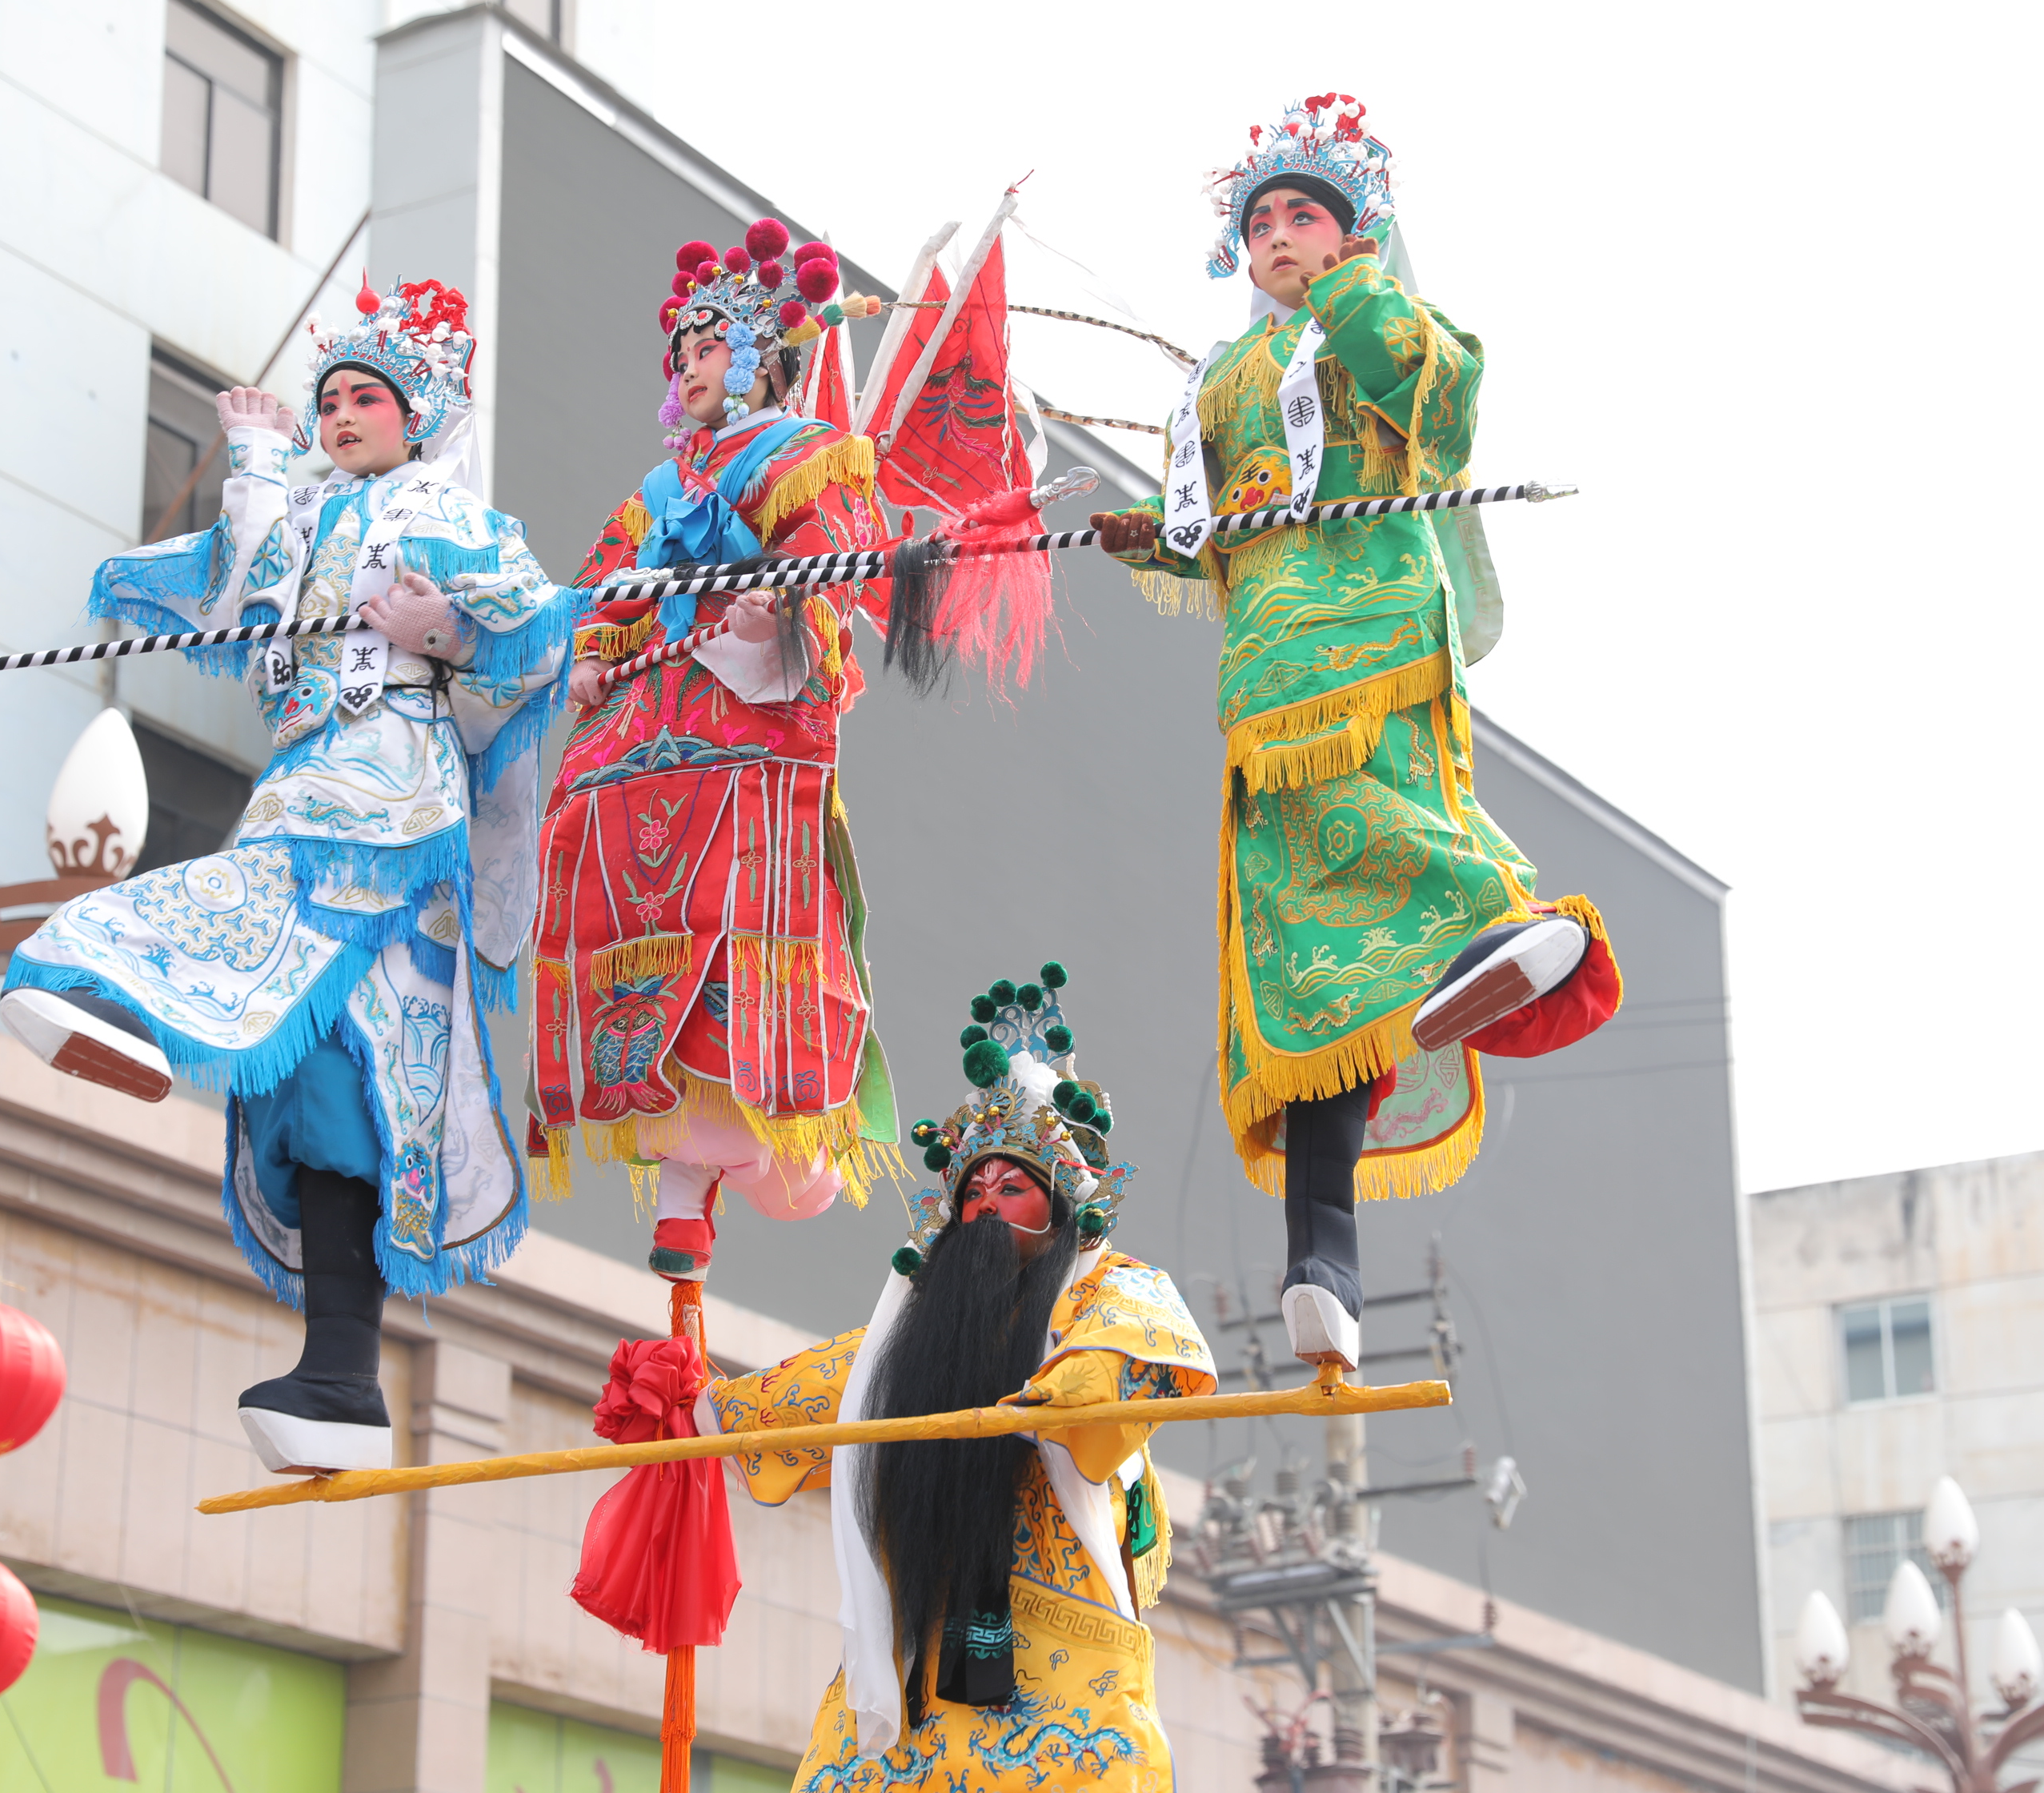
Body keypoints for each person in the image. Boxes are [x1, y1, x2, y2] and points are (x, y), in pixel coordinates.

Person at [0, 277, 579, 1475]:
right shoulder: (310, 512)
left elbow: (542, 635)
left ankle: (108, 989)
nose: (345, 412)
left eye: (368, 395)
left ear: (420, 418)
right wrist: (258, 462)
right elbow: (239, 603)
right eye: (331, 399)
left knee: (302, 1003)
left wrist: (453, 639)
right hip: (311, 785)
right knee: (325, 1095)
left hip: (392, 805)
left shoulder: (449, 515)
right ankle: (338, 1381)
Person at [1088, 94, 1623, 1370]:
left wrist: (1351, 287)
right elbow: (1211, 523)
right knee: (1298, 956)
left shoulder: (1376, 322)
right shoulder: (1221, 377)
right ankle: (1317, 1254)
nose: (1279, 236)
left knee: (1389, 819)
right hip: (1265, 672)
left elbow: (1441, 404)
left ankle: (1502, 931)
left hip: (1374, 626)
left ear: (1352, 233)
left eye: (1304, 216)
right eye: (1262, 220)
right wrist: (1144, 536)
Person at [683, 965, 1209, 1789]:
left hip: (1062, 1659)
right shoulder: (909, 1342)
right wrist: (693, 1398)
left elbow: (1145, 1347)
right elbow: (812, 1396)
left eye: (1015, 1186)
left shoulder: (1108, 1291)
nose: (989, 1204)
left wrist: (1067, 1390)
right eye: (974, 1190)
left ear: (1063, 1210)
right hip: (919, 1655)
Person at [527, 219, 900, 1282]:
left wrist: (778, 612)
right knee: (635, 925)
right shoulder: (656, 489)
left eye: (709, 348)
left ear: (766, 362)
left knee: (732, 934)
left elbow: (832, 567)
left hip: (743, 723)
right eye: (681, 351)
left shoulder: (811, 454)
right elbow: (610, 583)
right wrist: (597, 650)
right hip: (650, 733)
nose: (688, 367)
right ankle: (684, 1193)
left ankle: (726, 1167)